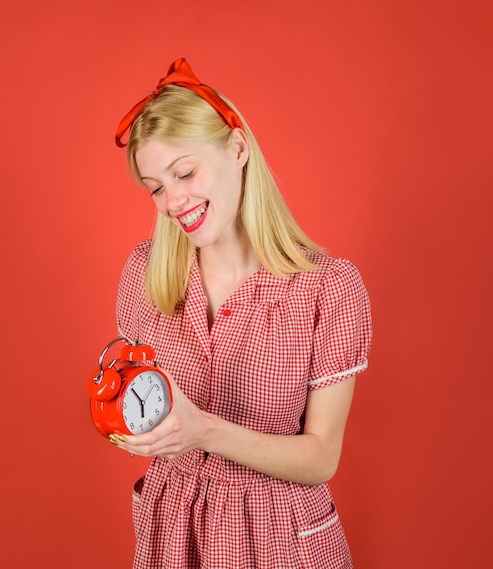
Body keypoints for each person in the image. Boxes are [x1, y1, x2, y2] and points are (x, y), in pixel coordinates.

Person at [109, 58, 372, 569]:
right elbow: (133, 391)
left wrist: (203, 430)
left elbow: (321, 457)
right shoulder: (145, 274)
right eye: (155, 186)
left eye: (184, 172)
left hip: (279, 541)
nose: (172, 201)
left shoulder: (328, 289)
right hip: (174, 534)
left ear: (238, 148)